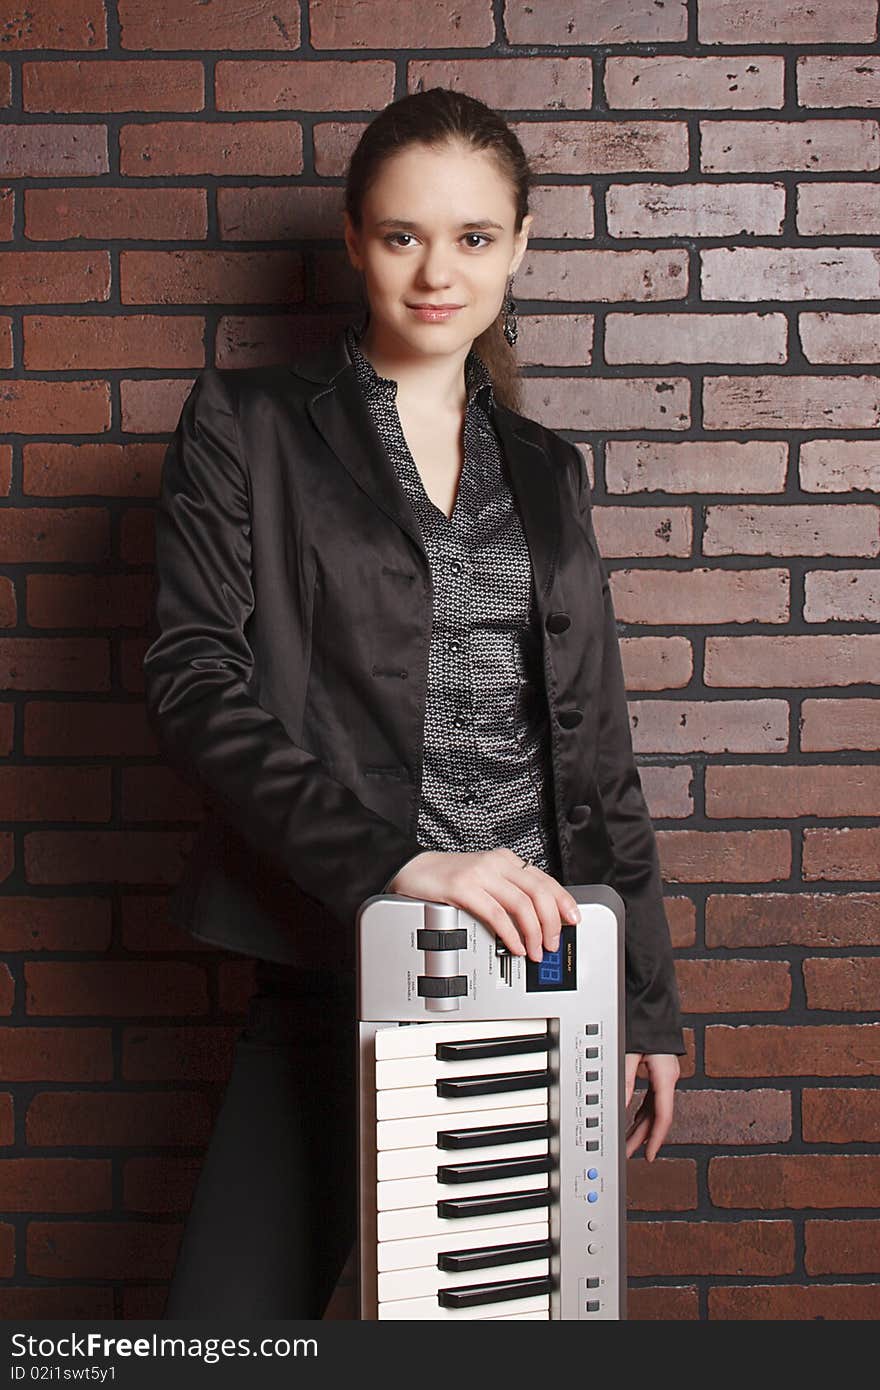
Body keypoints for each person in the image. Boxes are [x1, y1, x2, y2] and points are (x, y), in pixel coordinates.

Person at [143, 87, 685, 1321]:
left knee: (492, 1333)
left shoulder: (548, 471)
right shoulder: (248, 426)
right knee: (219, 1331)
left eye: (474, 237)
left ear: (521, 244)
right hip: (333, 952)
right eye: (402, 236)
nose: (438, 272)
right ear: (352, 239)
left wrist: (642, 998)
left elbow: (597, 754)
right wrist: (398, 863)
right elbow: (194, 681)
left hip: (543, 972)